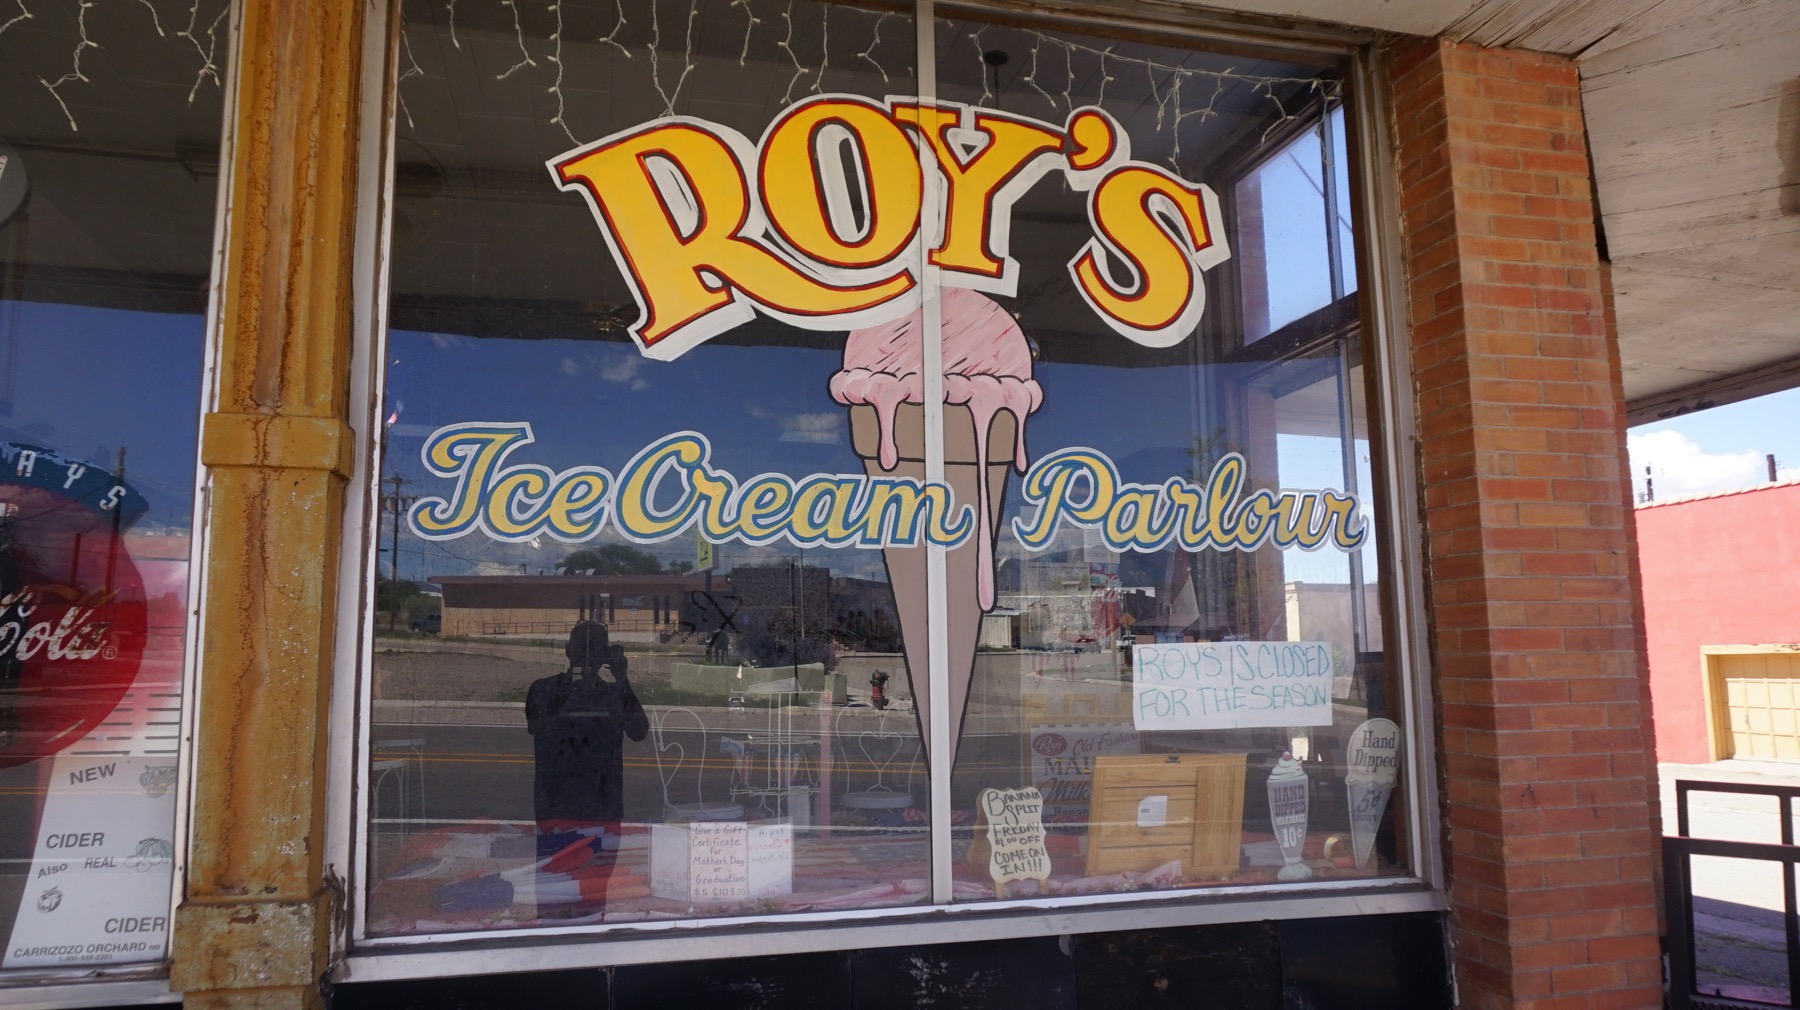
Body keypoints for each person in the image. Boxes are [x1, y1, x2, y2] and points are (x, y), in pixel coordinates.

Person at [525, 621, 649, 854]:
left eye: (594, 651)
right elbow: (538, 724)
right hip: (571, 810)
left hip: (583, 809)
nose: (588, 658)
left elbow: (639, 730)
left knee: (561, 875)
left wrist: (621, 680)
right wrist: (620, 681)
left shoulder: (545, 690)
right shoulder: (546, 690)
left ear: (567, 650)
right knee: (584, 875)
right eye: (584, 650)